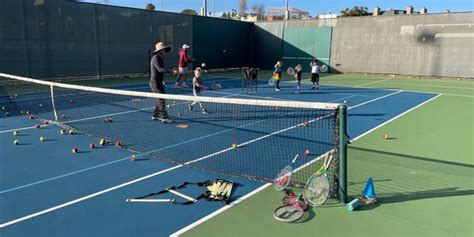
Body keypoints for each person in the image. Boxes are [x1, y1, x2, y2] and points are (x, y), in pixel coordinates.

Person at [150, 42, 172, 123]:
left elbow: (160, 72)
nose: (165, 50)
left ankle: (155, 115)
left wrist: (162, 80)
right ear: (160, 50)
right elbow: (160, 69)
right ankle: (164, 117)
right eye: (163, 49)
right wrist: (170, 71)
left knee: (160, 99)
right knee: (161, 99)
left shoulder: (160, 57)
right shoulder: (156, 58)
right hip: (154, 83)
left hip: (159, 82)